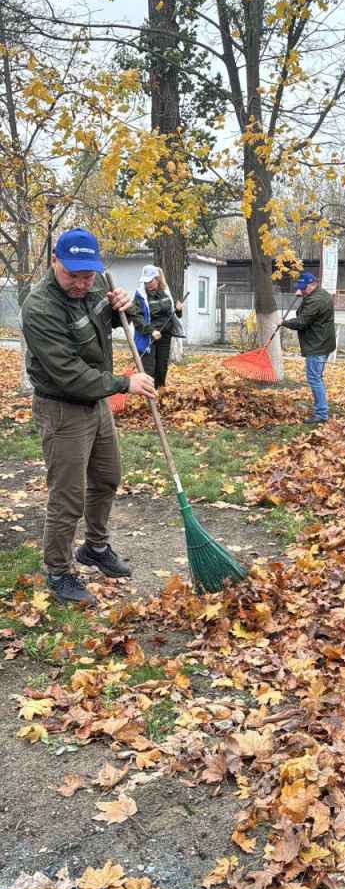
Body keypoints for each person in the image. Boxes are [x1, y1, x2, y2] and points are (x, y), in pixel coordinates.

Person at [22, 228, 156, 606]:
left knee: (107, 477)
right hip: (62, 407)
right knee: (68, 496)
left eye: (88, 274)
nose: (82, 283)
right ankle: (59, 570)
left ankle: (95, 548)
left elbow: (128, 325)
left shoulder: (95, 290)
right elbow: (67, 372)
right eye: (73, 274)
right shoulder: (40, 308)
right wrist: (123, 383)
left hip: (95, 404)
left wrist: (125, 307)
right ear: (55, 262)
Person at [282, 271, 336, 424]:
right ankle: (321, 409)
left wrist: (283, 322)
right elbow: (304, 311)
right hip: (323, 342)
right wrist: (303, 296)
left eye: (304, 287)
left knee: (314, 379)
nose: (302, 290)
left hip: (317, 345)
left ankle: (321, 414)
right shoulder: (319, 294)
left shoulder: (316, 300)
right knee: (317, 377)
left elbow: (301, 321)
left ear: (313, 284)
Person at [131, 265, 184, 390]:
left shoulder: (165, 292)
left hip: (165, 335)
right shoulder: (140, 296)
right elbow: (137, 318)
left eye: (150, 281)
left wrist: (178, 310)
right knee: (150, 368)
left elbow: (172, 313)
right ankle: (148, 396)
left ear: (157, 279)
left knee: (162, 367)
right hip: (149, 337)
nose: (148, 284)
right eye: (145, 281)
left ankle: (160, 394)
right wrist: (151, 331)